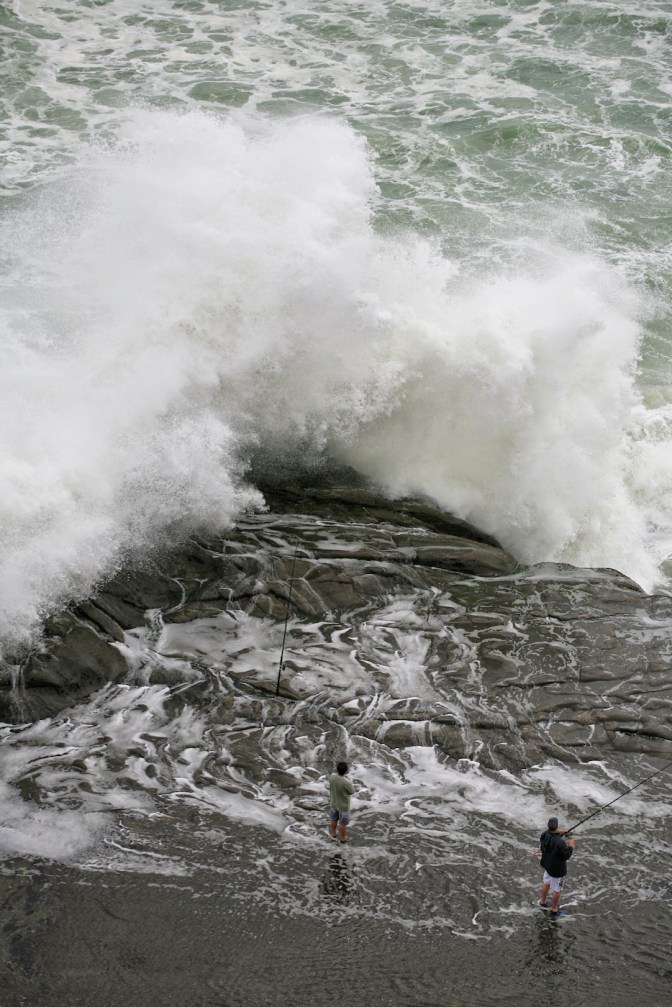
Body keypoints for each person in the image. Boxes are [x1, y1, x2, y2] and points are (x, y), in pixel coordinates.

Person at [538, 815, 575, 916]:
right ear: (556, 826)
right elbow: (566, 855)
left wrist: (562, 832)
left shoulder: (544, 834)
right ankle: (554, 910)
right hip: (557, 871)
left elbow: (552, 838)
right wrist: (571, 845)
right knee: (557, 890)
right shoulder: (560, 842)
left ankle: (542, 902)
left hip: (547, 865)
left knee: (546, 883)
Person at [328, 761, 354, 844]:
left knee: (333, 819)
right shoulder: (346, 782)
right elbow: (352, 792)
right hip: (343, 805)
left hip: (333, 803)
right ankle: (343, 837)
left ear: (337, 769)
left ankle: (334, 833)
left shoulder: (332, 777)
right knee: (342, 823)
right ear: (346, 771)